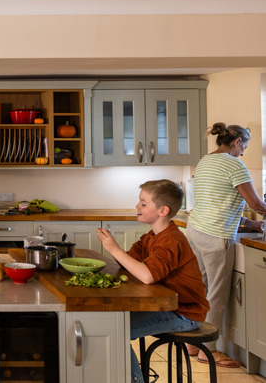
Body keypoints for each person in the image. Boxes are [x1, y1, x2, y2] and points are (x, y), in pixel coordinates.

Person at [96, 180, 209, 383]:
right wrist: (112, 247)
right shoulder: (151, 236)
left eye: (143, 203)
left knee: (116, 330)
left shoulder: (171, 240)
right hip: (165, 307)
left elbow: (148, 276)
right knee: (110, 322)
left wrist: (113, 248)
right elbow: (128, 262)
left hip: (185, 313)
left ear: (163, 210)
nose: (137, 207)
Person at [185, 122, 266, 367]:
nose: (244, 153)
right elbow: (257, 205)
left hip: (195, 230)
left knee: (202, 290)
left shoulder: (205, 160)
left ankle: (191, 343)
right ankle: (207, 350)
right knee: (217, 294)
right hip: (215, 236)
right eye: (245, 147)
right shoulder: (234, 164)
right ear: (236, 142)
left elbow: (219, 204)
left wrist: (254, 226)